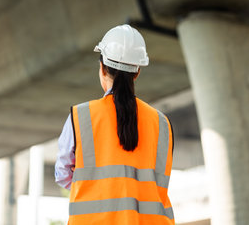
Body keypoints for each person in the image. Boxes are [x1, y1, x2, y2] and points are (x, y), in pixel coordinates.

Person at [55, 24, 175, 224]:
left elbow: (62, 174)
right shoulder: (162, 124)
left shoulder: (81, 116)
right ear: (137, 72)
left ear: (102, 67)